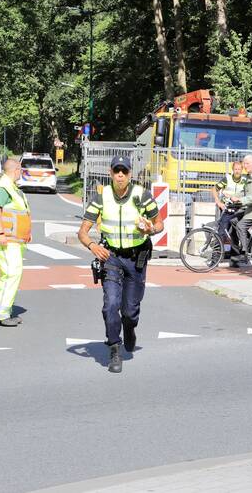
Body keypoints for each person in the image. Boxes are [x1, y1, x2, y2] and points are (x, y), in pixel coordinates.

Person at [77, 155, 163, 374]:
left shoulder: (141, 195)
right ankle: (114, 348)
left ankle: (129, 328)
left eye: (124, 171)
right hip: (112, 257)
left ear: (130, 174)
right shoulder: (101, 197)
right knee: (110, 305)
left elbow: (159, 224)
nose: (120, 175)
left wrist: (149, 229)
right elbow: (83, 231)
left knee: (130, 311)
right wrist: (93, 246)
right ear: (111, 173)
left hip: (136, 258)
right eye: (117, 171)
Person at [0, 158, 32, 326]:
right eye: (20, 170)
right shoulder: (2, 188)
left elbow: (19, 213)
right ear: (15, 170)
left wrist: (26, 232)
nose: (21, 173)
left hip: (12, 239)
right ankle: (2, 314)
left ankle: (4, 311)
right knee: (12, 273)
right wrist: (1, 233)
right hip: (4, 239)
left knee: (9, 274)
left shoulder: (11, 187)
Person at [231, 154, 252, 267]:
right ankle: (249, 242)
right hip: (251, 207)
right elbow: (245, 192)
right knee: (233, 220)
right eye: (244, 163)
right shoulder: (250, 176)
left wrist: (240, 200)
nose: (244, 166)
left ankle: (245, 253)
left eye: (247, 164)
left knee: (240, 225)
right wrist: (232, 196)